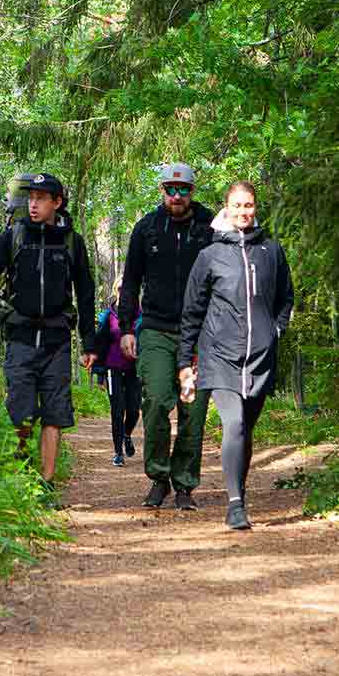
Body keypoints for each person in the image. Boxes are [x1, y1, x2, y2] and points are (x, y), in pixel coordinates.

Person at [0, 173, 97, 495]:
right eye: (30, 198)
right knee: (20, 414)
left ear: (57, 202)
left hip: (57, 340)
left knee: (54, 416)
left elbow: (85, 292)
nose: (33, 204)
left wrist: (89, 342)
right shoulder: (12, 236)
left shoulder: (72, 241)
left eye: (41, 198)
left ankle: (45, 485)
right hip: (20, 339)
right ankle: (21, 479)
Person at [177, 181, 293, 530]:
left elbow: (286, 297)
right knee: (234, 423)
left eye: (249, 205)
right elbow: (192, 311)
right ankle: (235, 505)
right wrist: (185, 362)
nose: (244, 212)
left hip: (260, 356)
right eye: (237, 206)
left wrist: (276, 330)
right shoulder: (209, 256)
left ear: (255, 208)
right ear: (225, 209)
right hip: (219, 355)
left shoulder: (271, 251)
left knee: (247, 429)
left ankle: (238, 490)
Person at [116, 163, 217, 510]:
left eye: (183, 189)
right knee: (157, 401)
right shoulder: (147, 228)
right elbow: (130, 281)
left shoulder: (210, 228)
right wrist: (127, 328)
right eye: (170, 189)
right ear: (162, 191)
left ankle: (185, 485)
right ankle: (159, 479)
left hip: (201, 334)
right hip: (156, 330)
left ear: (193, 191)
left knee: (194, 409)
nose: (176, 196)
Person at [92, 277, 142, 467]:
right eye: (120, 288)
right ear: (115, 290)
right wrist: (99, 373)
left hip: (134, 369)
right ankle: (118, 452)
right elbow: (100, 344)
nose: (123, 291)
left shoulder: (140, 315)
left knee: (133, 410)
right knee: (117, 410)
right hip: (113, 368)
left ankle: (127, 435)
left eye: (127, 288)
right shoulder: (108, 316)